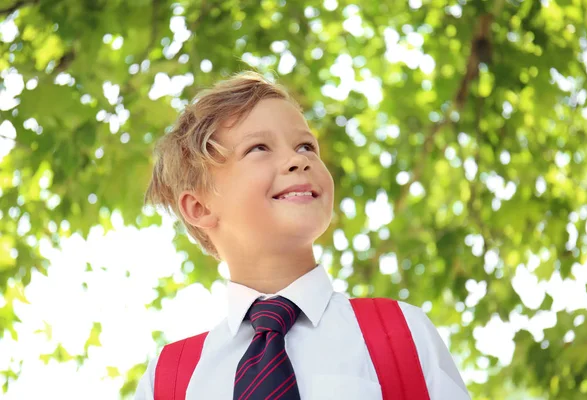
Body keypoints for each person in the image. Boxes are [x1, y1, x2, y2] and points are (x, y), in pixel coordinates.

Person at [134, 71, 470, 399]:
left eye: (307, 146)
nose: (298, 159)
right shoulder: (166, 381)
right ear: (200, 207)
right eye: (259, 148)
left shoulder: (403, 333)